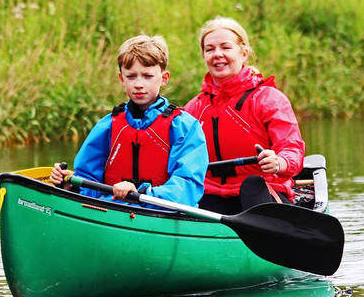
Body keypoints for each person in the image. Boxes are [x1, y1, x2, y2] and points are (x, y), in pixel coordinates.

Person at [50, 34, 208, 206]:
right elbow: (88, 179)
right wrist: (68, 184)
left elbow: (187, 185)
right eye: (131, 76)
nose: (139, 84)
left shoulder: (185, 127)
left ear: (164, 78)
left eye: (147, 76)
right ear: (121, 79)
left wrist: (143, 193)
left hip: (163, 214)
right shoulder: (107, 125)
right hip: (112, 210)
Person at [184, 17, 305, 214]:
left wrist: (279, 162)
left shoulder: (269, 99)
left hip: (261, 192)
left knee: (252, 185)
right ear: (204, 55)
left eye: (225, 47)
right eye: (210, 49)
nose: (217, 54)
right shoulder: (194, 108)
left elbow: (292, 148)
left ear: (244, 52)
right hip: (211, 195)